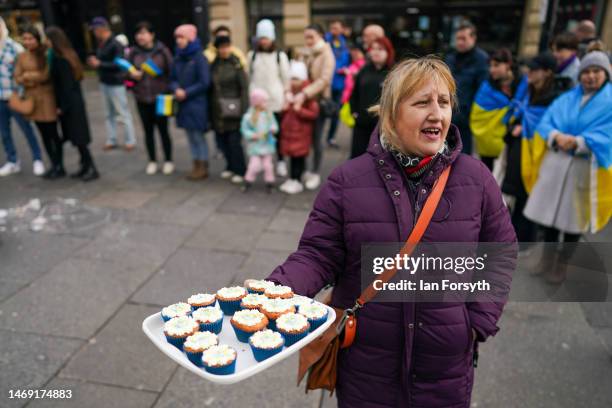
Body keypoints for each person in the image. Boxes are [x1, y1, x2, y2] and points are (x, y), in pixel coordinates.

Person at [264, 57, 516, 407]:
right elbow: (318, 254)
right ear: (391, 112)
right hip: (367, 365)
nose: (437, 114)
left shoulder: (477, 180)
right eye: (422, 102)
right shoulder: (347, 181)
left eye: (443, 102)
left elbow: (501, 250)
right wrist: (274, 292)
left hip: (444, 370)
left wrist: (476, 321)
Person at [524, 51, 611, 283]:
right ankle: (547, 258)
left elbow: (608, 135)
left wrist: (580, 142)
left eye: (596, 71)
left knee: (574, 221)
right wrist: (555, 136)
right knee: (551, 216)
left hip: (585, 167)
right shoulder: (567, 97)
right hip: (557, 163)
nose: (590, 76)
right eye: (586, 72)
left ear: (606, 74)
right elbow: (545, 122)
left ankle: (562, 265)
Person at [500, 52, 563, 244]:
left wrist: (525, 127)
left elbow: (551, 124)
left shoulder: (554, 97)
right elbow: (518, 115)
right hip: (520, 149)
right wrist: (514, 127)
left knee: (530, 195)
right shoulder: (527, 91)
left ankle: (526, 239)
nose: (529, 72)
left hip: (538, 153)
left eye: (535, 70)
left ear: (547, 73)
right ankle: (515, 235)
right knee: (518, 194)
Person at [46, 26, 99, 182]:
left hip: (70, 105)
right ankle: (84, 166)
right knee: (77, 138)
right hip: (75, 103)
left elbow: (65, 87)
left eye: (47, 39)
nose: (46, 42)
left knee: (79, 139)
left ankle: (92, 168)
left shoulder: (60, 59)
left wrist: (62, 107)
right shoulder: (69, 55)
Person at [14, 26, 62, 179]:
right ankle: (53, 164)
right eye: (25, 39)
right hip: (32, 100)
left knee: (53, 132)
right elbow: (17, 77)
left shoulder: (46, 52)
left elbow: (45, 75)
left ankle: (60, 164)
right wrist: (29, 78)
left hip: (47, 99)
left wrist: (28, 76)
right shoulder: (22, 56)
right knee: (43, 134)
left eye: (31, 38)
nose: (28, 42)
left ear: (37, 39)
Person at [127, 21, 174, 175]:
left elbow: (172, 74)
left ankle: (168, 160)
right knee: (148, 132)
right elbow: (125, 79)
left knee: (163, 130)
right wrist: (132, 77)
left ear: (152, 35)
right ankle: (152, 160)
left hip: (161, 99)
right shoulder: (132, 53)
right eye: (138, 33)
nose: (140, 36)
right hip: (142, 99)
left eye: (144, 33)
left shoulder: (162, 51)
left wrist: (167, 88)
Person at [470, 48, 528, 171]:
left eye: (496, 65)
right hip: (489, 144)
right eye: (491, 66)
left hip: (516, 138)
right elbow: (478, 116)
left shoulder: (524, 84)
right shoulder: (487, 88)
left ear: (508, 65)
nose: (492, 70)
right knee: (487, 174)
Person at [0, 17, 44, 177]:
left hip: (16, 96)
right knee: (4, 133)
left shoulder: (15, 48)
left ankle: (37, 159)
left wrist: (22, 91)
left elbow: (25, 69)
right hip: (0, 98)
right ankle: (13, 161)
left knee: (27, 130)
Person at [247, 19, 290, 177]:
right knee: (258, 133)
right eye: (261, 38)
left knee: (276, 133)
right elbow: (249, 77)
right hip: (257, 103)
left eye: (266, 37)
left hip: (275, 103)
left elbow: (286, 80)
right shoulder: (251, 56)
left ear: (272, 38)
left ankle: (280, 161)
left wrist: (286, 99)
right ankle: (261, 161)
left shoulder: (280, 56)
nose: (264, 41)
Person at [87, 17, 137, 151]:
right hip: (105, 81)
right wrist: (95, 60)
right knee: (109, 113)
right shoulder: (101, 43)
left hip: (116, 82)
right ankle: (112, 139)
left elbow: (120, 64)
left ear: (101, 29)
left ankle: (130, 140)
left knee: (123, 112)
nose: (94, 33)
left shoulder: (115, 43)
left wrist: (100, 64)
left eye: (95, 30)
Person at [294, 24, 334, 190]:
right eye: (306, 37)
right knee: (304, 137)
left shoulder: (326, 53)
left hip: (317, 101)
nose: (308, 40)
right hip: (306, 101)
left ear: (321, 36)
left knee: (317, 139)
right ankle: (304, 170)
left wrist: (304, 93)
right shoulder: (307, 53)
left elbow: (325, 80)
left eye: (311, 36)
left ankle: (315, 172)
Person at [170, 24, 211, 180]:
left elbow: (204, 82)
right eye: (177, 37)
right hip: (183, 104)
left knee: (198, 136)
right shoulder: (178, 57)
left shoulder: (199, 58)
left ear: (190, 38)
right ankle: (196, 164)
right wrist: (176, 89)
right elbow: (172, 78)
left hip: (196, 103)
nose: (179, 41)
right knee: (189, 136)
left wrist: (186, 92)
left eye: (182, 37)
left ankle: (203, 165)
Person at [444, 21, 489, 155]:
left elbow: (482, 91)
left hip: (467, 118)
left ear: (473, 38)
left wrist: (470, 115)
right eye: (458, 39)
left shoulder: (482, 59)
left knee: (463, 157)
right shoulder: (450, 57)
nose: (460, 42)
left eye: (463, 38)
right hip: (448, 113)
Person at [210, 35, 248, 184]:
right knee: (222, 140)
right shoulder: (214, 64)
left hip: (233, 108)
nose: (224, 50)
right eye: (221, 47)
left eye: (227, 46)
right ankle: (230, 166)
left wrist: (243, 110)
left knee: (234, 141)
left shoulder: (236, 64)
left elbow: (244, 88)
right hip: (217, 109)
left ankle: (240, 169)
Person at [349, 36, 394, 158]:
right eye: (373, 49)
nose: (375, 52)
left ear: (388, 52)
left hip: (383, 127)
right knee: (358, 159)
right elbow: (354, 94)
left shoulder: (394, 72)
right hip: (361, 124)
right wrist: (354, 113)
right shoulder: (364, 70)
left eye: (380, 49)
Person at [278, 61, 319, 194]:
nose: (293, 82)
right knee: (291, 157)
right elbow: (284, 112)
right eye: (292, 78)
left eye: (296, 79)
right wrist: (284, 107)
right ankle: (292, 178)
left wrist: (299, 110)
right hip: (289, 133)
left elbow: (314, 113)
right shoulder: (289, 92)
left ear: (302, 79)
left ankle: (297, 180)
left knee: (298, 159)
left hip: (301, 133)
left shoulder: (307, 94)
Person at [240, 88, 278, 193]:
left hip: (267, 146)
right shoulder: (248, 117)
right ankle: (247, 181)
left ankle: (270, 183)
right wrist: (252, 135)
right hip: (255, 146)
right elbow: (244, 129)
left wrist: (273, 129)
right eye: (264, 101)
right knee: (254, 166)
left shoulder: (269, 115)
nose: (266, 104)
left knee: (268, 166)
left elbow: (274, 125)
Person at [324, 19, 350, 147]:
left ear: (341, 29)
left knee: (336, 113)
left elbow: (347, 61)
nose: (334, 30)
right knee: (323, 111)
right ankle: (317, 139)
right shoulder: (325, 41)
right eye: (332, 27)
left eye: (337, 28)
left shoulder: (344, 43)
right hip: (326, 84)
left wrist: (347, 70)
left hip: (340, 84)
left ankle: (331, 138)